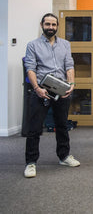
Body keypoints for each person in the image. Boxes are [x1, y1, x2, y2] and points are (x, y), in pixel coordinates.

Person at [23, 13, 80, 178]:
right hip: (41, 90)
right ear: (42, 25)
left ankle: (64, 156)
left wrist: (71, 84)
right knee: (34, 128)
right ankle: (31, 163)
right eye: (48, 24)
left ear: (57, 26)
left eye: (54, 25)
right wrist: (36, 88)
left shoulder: (65, 44)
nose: (51, 27)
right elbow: (30, 68)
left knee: (62, 125)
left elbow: (69, 65)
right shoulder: (33, 45)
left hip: (61, 89)